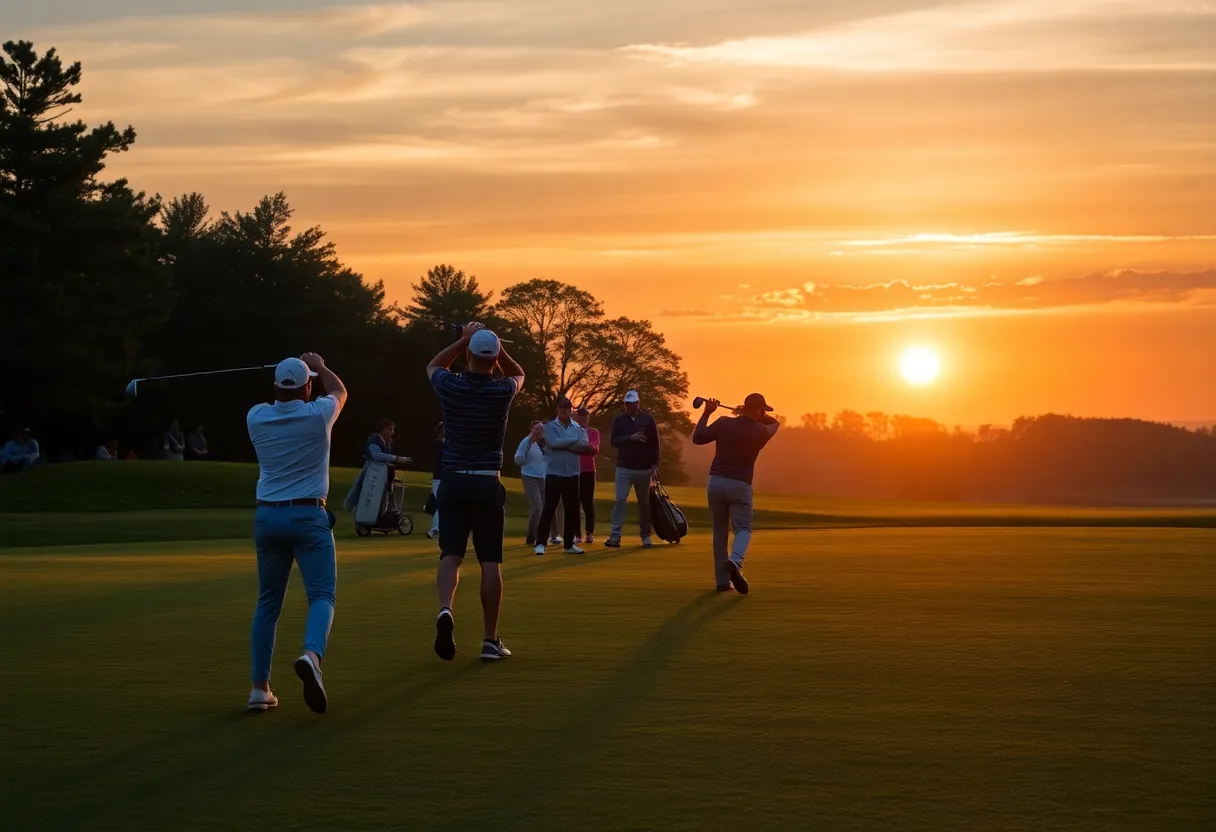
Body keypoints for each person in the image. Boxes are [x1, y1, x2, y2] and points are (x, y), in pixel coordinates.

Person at [245, 353, 347, 714]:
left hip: (267, 517)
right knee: (322, 596)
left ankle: (260, 689)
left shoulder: (255, 416)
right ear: (307, 387)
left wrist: (300, 376)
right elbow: (340, 390)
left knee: (267, 604)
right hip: (307, 515)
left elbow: (281, 397)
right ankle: (311, 656)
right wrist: (319, 366)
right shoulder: (318, 414)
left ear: (274, 386)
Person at [428, 322, 525, 662]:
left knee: (451, 554)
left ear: (468, 354)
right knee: (489, 562)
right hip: (486, 481)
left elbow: (434, 365)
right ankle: (489, 640)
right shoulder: (502, 391)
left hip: (453, 480)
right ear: (495, 358)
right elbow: (519, 372)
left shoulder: (451, 386)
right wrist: (496, 347)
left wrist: (464, 339)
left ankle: (445, 608)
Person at [691, 394, 780, 596]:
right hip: (740, 485)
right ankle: (736, 561)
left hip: (716, 483)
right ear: (758, 410)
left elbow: (698, 437)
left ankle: (722, 582)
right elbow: (775, 422)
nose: (764, 414)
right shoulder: (761, 432)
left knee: (719, 534)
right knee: (743, 529)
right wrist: (748, 412)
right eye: (762, 410)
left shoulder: (723, 423)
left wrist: (707, 412)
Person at [534, 397, 590, 556]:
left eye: (568, 408)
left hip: (572, 473)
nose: (565, 411)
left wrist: (565, 444)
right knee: (549, 508)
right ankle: (540, 543)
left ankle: (568, 544)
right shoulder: (550, 426)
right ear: (557, 409)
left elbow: (584, 444)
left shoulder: (577, 427)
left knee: (572, 509)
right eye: (562, 408)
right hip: (554, 472)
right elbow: (553, 443)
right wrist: (573, 442)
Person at [606, 390, 660, 548]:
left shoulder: (648, 419)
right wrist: (630, 438)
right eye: (627, 404)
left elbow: (654, 444)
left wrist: (655, 465)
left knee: (644, 504)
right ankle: (615, 536)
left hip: (643, 469)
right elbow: (614, 441)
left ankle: (645, 536)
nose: (630, 406)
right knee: (620, 501)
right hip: (624, 468)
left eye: (633, 403)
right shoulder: (620, 420)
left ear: (638, 403)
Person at [343, 419, 411, 519]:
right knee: (362, 488)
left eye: (392, 430)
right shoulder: (374, 439)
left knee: (383, 493)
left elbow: (387, 456)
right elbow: (376, 455)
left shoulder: (389, 441)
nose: (391, 432)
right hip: (371, 469)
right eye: (389, 429)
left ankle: (378, 514)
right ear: (382, 429)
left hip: (383, 470)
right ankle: (353, 508)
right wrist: (396, 458)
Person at [514, 419, 560, 547]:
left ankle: (554, 535)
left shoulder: (545, 443)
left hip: (544, 478)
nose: (540, 430)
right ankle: (532, 535)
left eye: (542, 428)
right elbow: (518, 458)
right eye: (537, 428)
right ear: (532, 430)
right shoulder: (526, 442)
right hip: (530, 477)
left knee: (550, 505)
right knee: (537, 506)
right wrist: (520, 459)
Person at [573, 405, 600, 544]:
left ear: (588, 418)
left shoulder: (593, 432)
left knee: (587, 503)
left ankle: (589, 533)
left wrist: (582, 446)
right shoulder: (572, 431)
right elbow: (571, 447)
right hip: (574, 470)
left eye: (585, 416)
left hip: (588, 471)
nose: (582, 418)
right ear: (577, 417)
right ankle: (577, 534)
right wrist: (583, 446)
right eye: (580, 416)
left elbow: (594, 449)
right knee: (574, 503)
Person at [427, 422, 444, 541]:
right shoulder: (438, 444)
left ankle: (437, 529)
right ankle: (435, 530)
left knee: (443, 505)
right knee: (441, 504)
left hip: (444, 478)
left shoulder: (443, 444)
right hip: (439, 478)